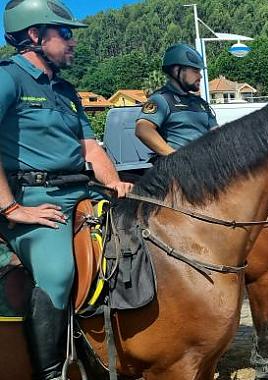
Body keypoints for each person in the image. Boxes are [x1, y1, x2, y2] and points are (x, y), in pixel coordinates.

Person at [0, 1, 133, 378]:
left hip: (82, 192)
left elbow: (90, 148)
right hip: (36, 200)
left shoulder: (66, 90)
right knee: (57, 274)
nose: (73, 42)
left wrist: (115, 182)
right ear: (34, 36)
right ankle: (51, 373)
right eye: (66, 34)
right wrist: (10, 209)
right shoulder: (8, 78)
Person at [135, 44, 217, 155]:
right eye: (195, 70)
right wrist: (175, 158)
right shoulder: (160, 100)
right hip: (180, 169)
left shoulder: (200, 103)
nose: (200, 76)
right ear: (176, 70)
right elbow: (143, 129)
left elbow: (216, 134)